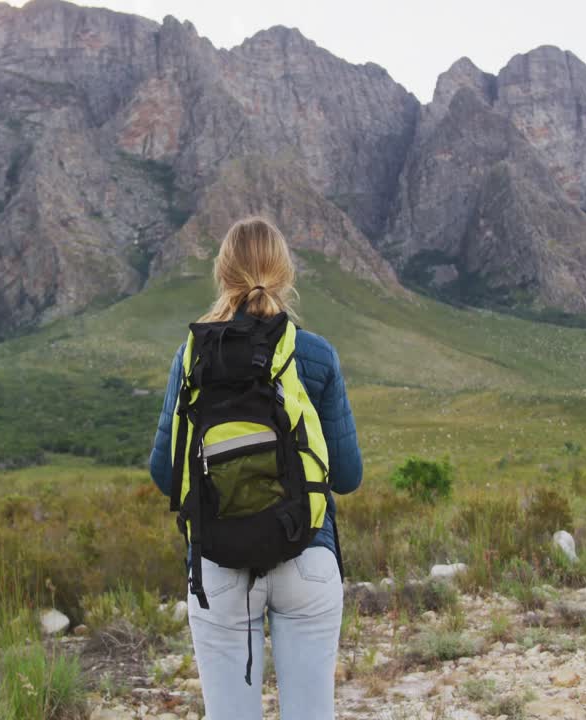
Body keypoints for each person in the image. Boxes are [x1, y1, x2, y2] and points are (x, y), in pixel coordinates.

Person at [149, 216, 363, 719]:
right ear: (285, 275)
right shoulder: (314, 354)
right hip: (306, 554)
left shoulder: (191, 358)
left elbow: (165, 475)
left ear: (222, 276)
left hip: (218, 566)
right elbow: (348, 476)